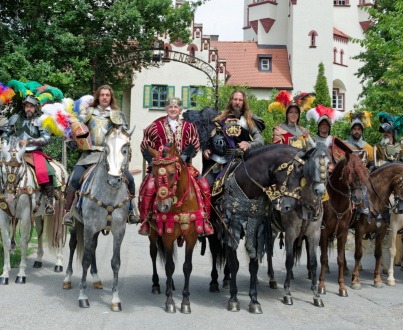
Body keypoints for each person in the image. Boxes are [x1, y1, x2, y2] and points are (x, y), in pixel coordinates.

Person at [63, 85, 138, 226]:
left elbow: (125, 135)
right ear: (98, 96)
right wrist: (72, 141)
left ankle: (131, 211)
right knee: (75, 179)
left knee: (129, 179)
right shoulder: (88, 113)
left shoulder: (117, 114)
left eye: (107, 95)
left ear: (111, 97)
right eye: (102, 95)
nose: (104, 97)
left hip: (110, 157)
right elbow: (76, 130)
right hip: (88, 155)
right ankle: (69, 212)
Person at [138, 97, 213, 236]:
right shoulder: (154, 126)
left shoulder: (189, 127)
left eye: (176, 107)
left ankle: (205, 221)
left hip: (185, 166)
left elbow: (195, 143)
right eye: (170, 107)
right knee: (148, 188)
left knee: (205, 186)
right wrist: (152, 162)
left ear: (180, 110)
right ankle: (145, 222)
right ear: (166, 109)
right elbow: (145, 145)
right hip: (161, 168)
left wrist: (184, 156)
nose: (173, 109)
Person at [203, 90, 264, 191]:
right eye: (235, 99)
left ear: (244, 102)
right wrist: (207, 149)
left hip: (242, 161)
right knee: (205, 185)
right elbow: (210, 138)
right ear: (231, 101)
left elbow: (260, 139)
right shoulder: (220, 117)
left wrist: (248, 144)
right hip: (220, 161)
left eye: (240, 100)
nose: (237, 102)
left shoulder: (249, 119)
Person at [5, 94, 56, 214]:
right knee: (0, 170)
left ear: (35, 107)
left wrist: (30, 141)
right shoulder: (15, 119)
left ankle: (49, 201)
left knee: (46, 172)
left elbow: (46, 138)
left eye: (31, 106)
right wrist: (6, 143)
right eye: (27, 106)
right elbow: (6, 134)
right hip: (16, 152)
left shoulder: (41, 120)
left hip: (34, 152)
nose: (29, 109)